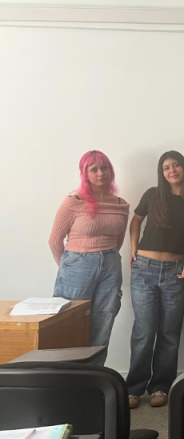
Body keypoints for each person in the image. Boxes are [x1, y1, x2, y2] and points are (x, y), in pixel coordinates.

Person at [126, 151, 184, 409]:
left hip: (176, 271)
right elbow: (136, 221)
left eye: (176, 165)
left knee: (169, 333)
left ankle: (161, 386)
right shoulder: (152, 195)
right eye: (166, 167)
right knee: (144, 331)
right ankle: (133, 388)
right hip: (144, 269)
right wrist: (133, 248)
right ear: (161, 172)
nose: (172, 171)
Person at [49, 150, 129, 366]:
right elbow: (54, 240)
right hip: (77, 265)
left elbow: (118, 239)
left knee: (104, 319)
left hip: (111, 265)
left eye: (104, 168)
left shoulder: (120, 204)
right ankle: (65, 376)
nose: (100, 173)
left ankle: (93, 375)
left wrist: (105, 258)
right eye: (94, 169)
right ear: (85, 173)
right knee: (70, 320)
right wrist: (68, 267)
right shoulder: (74, 202)